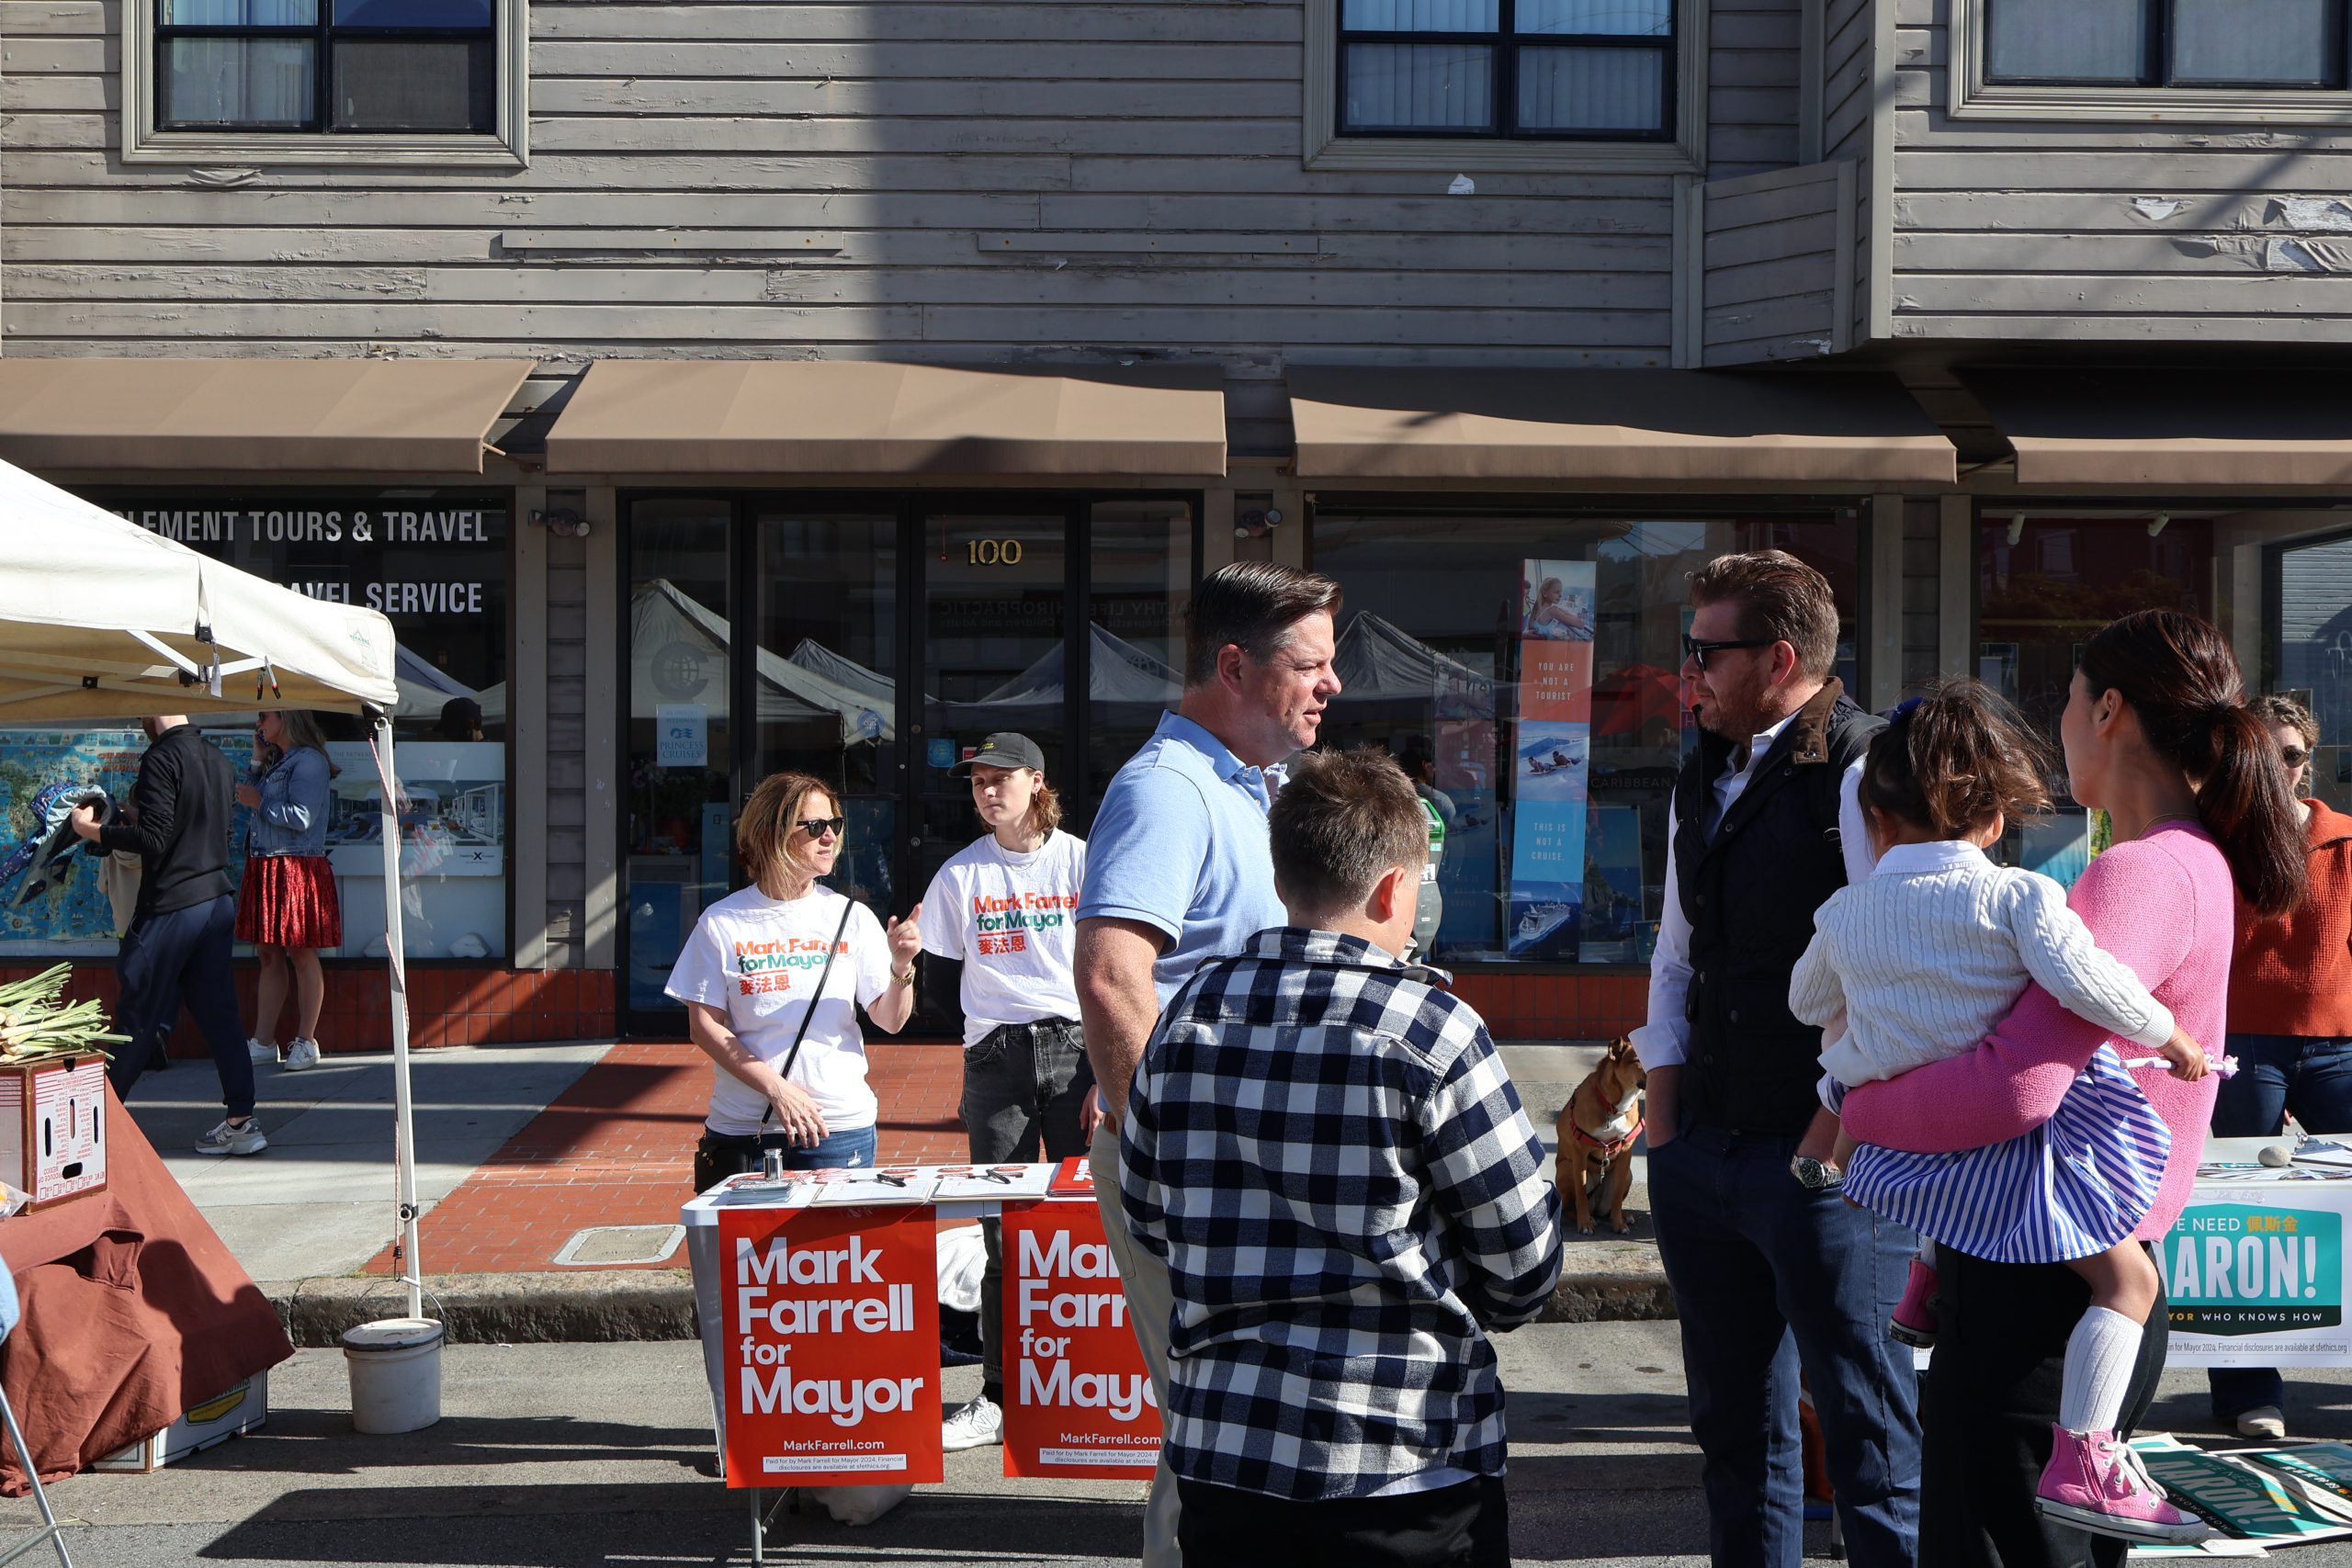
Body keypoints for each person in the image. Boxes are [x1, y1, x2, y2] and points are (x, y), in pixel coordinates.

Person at [1841, 609, 2306, 1568]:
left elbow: (2013, 1090)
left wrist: (1855, 1113)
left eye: (2065, 697)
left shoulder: (2136, 874)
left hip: (2041, 1297)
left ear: (2109, 712)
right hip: (2076, 1280)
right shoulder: (2187, 860)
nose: (2055, 721)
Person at [1788, 682, 2211, 1543]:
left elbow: (1803, 1001)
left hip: (1914, 1148)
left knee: (1957, 1209)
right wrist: (2170, 1035)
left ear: (1873, 819)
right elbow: (2090, 984)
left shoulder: (1842, 914)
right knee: (2129, 1281)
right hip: (2023, 1149)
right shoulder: (2018, 897)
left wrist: (1865, 999)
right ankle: (2086, 1455)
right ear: (1992, 820)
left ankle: (1921, 1287)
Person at [1120, 747, 1561, 1568]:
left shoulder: (1185, 1018)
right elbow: (1525, 1263)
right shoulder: (1434, 1030)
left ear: (1283, 878)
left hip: (1228, 1461)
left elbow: (1148, 1215)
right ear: (1397, 888)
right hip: (1407, 1465)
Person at [1629, 549, 1918, 1568]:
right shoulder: (1701, 770)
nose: (1691, 671)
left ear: (1779, 658)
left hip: (1823, 1165)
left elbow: (1900, 978)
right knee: (1736, 1440)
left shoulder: (1857, 771)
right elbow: (1676, 959)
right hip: (1704, 1147)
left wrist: (1826, 1137)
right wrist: (1667, 1136)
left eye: (1707, 651)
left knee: (1870, 1436)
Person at [1075, 559, 1344, 1568]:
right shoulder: (1168, 789)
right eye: (1310, 665)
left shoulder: (1249, 785)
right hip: (1198, 1166)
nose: (1332, 685)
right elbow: (1109, 977)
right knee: (1214, 1426)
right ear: (1234, 666)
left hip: (1236, 1163)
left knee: (1234, 1420)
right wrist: (1166, 1150)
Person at [917, 731, 1091, 1453]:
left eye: (1001, 778)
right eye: (978, 781)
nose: (988, 791)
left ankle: (1092, 1380)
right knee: (1003, 1233)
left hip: (1079, 1049)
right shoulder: (960, 875)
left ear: (1036, 780)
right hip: (996, 1058)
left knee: (1090, 1221)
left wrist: (1113, 1075)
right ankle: (999, 1392)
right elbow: (933, 985)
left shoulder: (1083, 858)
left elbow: (1123, 964)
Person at [2208, 694, 2352, 1440]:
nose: (2278, 765)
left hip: (2339, 1046)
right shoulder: (2214, 843)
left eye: (2291, 753)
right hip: (2243, 1045)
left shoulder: (2346, 841)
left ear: (2309, 761)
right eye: (2263, 750)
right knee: (2241, 1215)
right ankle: (2246, 1392)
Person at [666, 771, 923, 1185]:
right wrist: (777, 1090)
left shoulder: (850, 917)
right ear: (773, 832)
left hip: (836, 1128)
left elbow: (890, 1020)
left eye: (835, 826)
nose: (830, 838)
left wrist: (901, 967)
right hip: (747, 1129)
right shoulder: (723, 922)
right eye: (815, 826)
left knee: (834, 1250)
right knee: (746, 1252)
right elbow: (704, 1026)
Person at [69, 715, 260, 1156]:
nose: (140, 722)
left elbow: (154, 840)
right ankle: (242, 1121)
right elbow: (184, 828)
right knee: (220, 1016)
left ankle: (95, 1132)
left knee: (137, 1017)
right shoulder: (216, 759)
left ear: (153, 714)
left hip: (173, 906)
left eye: (141, 715)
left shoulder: (160, 757)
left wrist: (90, 830)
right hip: (215, 900)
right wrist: (132, 816)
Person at [236, 710, 343, 1073]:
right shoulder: (280, 760)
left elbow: (302, 817)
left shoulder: (309, 761)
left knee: (301, 953)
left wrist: (259, 801)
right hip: (268, 862)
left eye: (264, 717)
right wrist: (256, 760)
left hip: (295, 864)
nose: (259, 723)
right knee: (268, 953)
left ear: (287, 718)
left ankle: (306, 1040)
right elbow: (251, 799)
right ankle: (264, 1041)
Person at [1525, 575, 1593, 641]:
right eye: (1557, 592)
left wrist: (1560, 610)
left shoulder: (1539, 608)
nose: (1561, 595)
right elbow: (1581, 624)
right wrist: (1562, 611)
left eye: (1561, 592)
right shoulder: (1552, 610)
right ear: (1545, 593)